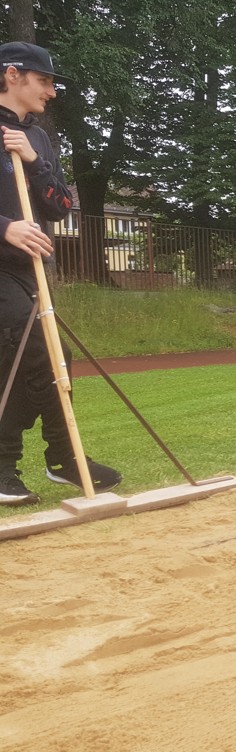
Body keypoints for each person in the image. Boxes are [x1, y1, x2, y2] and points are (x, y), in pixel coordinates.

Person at [0, 41, 121, 505]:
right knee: (36, 351)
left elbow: (60, 205)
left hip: (28, 272)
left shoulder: (39, 137)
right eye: (44, 80)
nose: (51, 91)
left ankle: (59, 459)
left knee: (49, 357)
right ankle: (36, 460)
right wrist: (6, 227)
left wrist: (34, 163)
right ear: (12, 75)